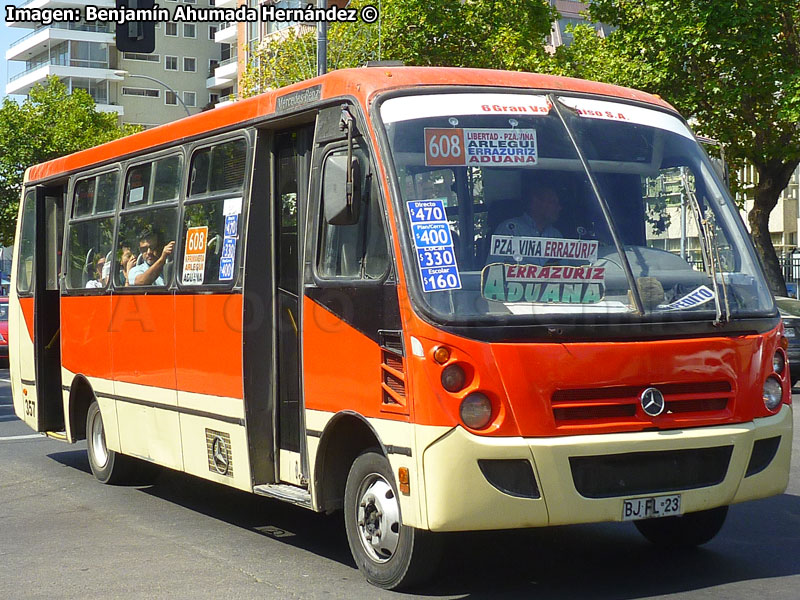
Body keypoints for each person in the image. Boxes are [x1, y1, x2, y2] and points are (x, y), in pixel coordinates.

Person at [487, 183, 563, 265]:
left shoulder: (556, 235)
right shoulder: (509, 230)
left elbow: (568, 270)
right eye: (553, 202)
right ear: (536, 202)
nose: (559, 208)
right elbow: (493, 271)